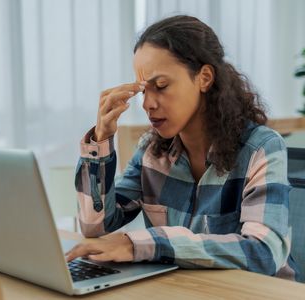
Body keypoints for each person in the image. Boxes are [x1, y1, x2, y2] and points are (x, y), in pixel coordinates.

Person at [66, 15, 299, 281]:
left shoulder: (262, 148)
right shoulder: (152, 153)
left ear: (204, 78)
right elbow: (95, 226)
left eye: (161, 86)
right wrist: (100, 140)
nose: (147, 104)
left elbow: (263, 253)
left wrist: (139, 244)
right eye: (144, 91)